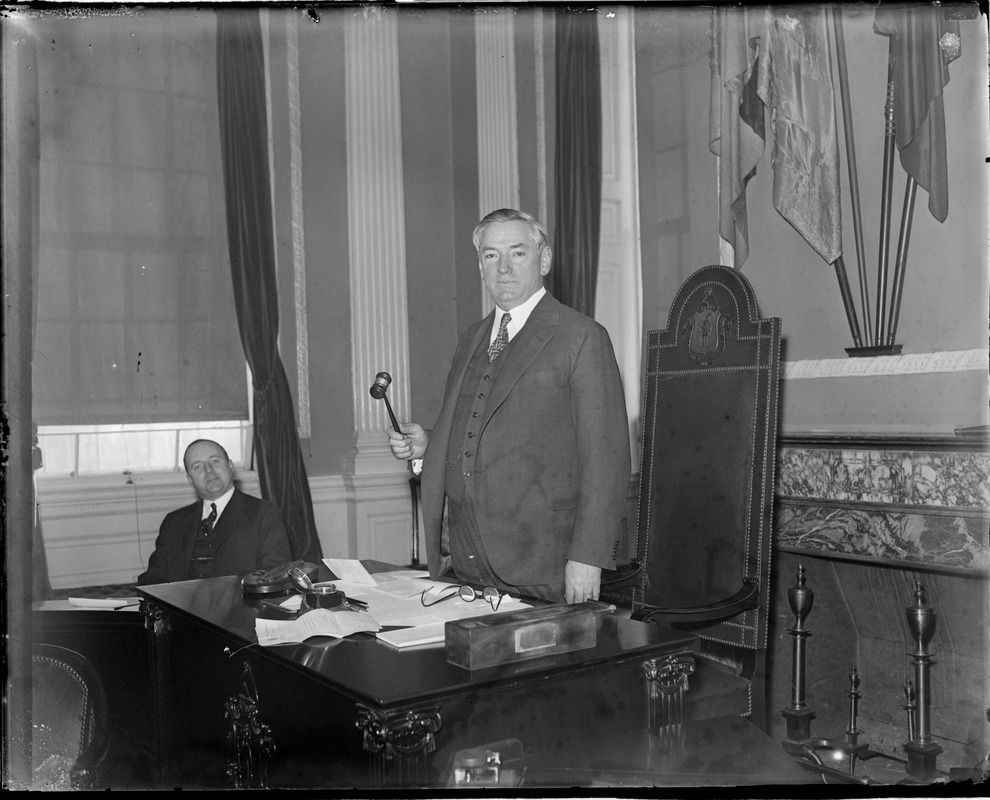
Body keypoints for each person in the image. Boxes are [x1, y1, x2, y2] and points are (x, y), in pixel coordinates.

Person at [387, 208, 630, 604]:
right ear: (479, 263)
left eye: (517, 253)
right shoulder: (470, 339)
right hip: (468, 561)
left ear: (544, 259)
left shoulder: (582, 337)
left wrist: (588, 557)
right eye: (490, 255)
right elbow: (483, 426)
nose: (503, 268)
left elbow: (606, 459)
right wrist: (429, 443)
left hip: (543, 561)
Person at [137, 439, 292, 585]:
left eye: (215, 461)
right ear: (189, 479)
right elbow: (154, 577)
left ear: (231, 466)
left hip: (240, 610)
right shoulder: (174, 522)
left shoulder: (263, 514)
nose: (208, 470)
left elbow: (274, 577)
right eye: (197, 466)